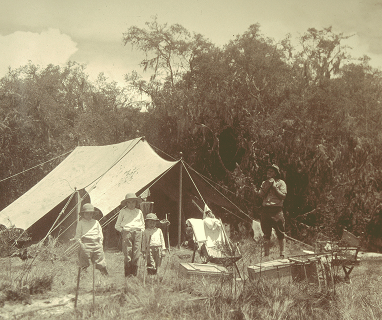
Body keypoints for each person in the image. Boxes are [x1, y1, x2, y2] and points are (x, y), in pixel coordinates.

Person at [254, 164, 287, 258]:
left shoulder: (281, 183)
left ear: (276, 173)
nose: (269, 172)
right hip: (266, 210)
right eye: (268, 171)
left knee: (280, 232)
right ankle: (266, 256)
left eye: (271, 171)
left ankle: (282, 254)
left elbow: (283, 196)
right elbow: (260, 195)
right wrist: (259, 190)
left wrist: (274, 187)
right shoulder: (264, 182)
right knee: (266, 234)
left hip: (276, 210)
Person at [73, 203, 108, 275]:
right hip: (86, 243)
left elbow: (100, 233)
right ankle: (84, 274)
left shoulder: (96, 222)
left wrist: (100, 243)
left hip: (96, 243)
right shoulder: (81, 223)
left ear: (93, 214)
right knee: (84, 259)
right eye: (87, 214)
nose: (89, 216)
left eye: (91, 214)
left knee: (100, 258)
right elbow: (78, 235)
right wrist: (81, 244)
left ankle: (103, 273)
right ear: (83, 214)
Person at [115, 193, 145, 277]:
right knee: (128, 253)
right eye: (129, 202)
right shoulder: (123, 211)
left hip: (138, 232)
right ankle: (127, 274)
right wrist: (124, 231)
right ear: (126, 203)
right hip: (127, 232)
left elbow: (142, 224)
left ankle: (134, 273)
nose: (131, 204)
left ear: (136, 203)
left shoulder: (139, 212)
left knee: (136, 253)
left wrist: (141, 231)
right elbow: (117, 225)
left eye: (133, 202)